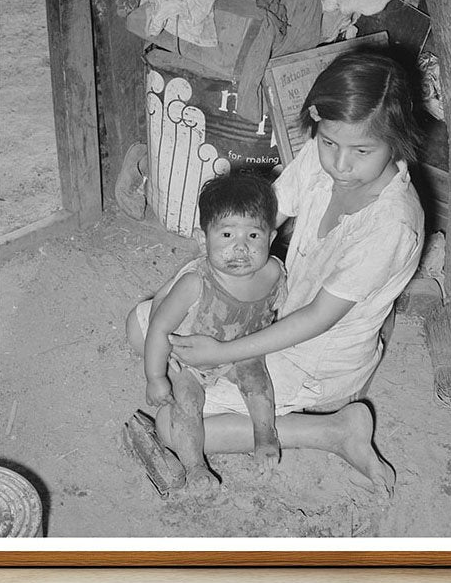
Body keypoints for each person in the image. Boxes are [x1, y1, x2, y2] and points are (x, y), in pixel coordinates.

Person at [165, 49, 425, 497]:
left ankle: (334, 429)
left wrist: (220, 353)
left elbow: (314, 321)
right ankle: (267, 391)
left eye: (362, 150)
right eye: (328, 143)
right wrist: (219, 247)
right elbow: (266, 214)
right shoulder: (320, 160)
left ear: (396, 142)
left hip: (316, 359)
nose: (340, 165)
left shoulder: (390, 225)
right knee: (146, 326)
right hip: (275, 314)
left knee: (173, 424)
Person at [126, 172, 287, 497]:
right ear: (204, 240)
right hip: (192, 360)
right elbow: (159, 327)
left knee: (258, 384)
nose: (240, 248)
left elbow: (279, 311)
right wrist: (156, 376)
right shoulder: (196, 283)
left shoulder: (273, 272)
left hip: (241, 351)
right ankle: (195, 465)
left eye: (253, 236)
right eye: (227, 234)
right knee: (186, 403)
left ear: (270, 237)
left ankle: (265, 434)